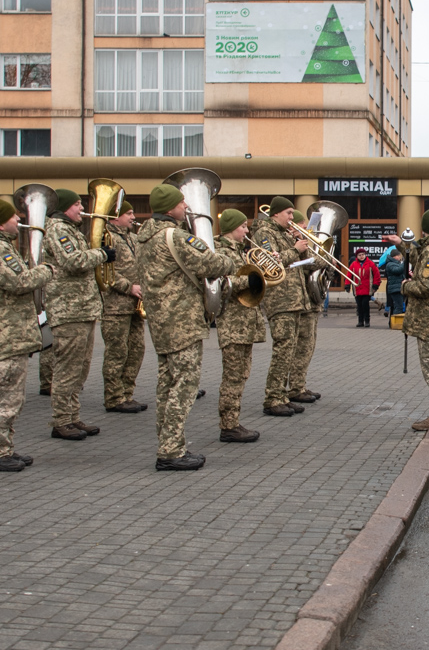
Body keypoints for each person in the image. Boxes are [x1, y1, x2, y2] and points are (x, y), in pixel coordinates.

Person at [135, 183, 239, 470]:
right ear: (170, 208)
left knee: (166, 385)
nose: (186, 206)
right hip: (182, 321)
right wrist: (230, 260)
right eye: (182, 202)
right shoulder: (176, 236)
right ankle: (171, 452)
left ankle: (168, 443)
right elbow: (212, 264)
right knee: (184, 386)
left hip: (161, 321)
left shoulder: (144, 237)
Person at [0, 197, 52, 472]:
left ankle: (4, 447)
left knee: (13, 396)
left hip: (11, 332)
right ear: (1, 223)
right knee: (5, 396)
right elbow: (18, 282)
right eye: (14, 217)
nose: (18, 220)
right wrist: (46, 270)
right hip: (5, 333)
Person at [42, 188, 112, 440]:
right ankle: (61, 421)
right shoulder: (58, 230)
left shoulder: (70, 229)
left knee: (80, 368)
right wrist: (102, 254)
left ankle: (72, 416)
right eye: (77, 204)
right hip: (68, 310)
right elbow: (73, 261)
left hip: (81, 308)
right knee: (67, 369)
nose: (82, 208)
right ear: (64, 207)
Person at [383, 209, 429, 430]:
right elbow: (418, 257)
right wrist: (402, 244)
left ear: (425, 228)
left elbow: (427, 286)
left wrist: (406, 286)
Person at [254, 197, 316, 416]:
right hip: (280, 300)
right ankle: (272, 398)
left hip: (294, 299)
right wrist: (295, 249)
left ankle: (282, 395)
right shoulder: (265, 233)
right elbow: (270, 263)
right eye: (288, 213)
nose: (291, 217)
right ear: (276, 213)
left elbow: (309, 262)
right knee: (282, 351)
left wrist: (301, 244)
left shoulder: (284, 234)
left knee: (289, 350)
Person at [213, 209, 266, 442]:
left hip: (245, 323)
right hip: (233, 324)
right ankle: (228, 426)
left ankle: (233, 421)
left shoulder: (239, 251)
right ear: (232, 228)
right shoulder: (221, 252)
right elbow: (218, 285)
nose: (246, 231)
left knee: (241, 375)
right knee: (233, 377)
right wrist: (248, 280)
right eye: (243, 227)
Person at [98, 201, 147, 415]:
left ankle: (127, 393)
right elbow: (104, 271)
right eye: (129, 213)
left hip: (135, 304)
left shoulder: (133, 238)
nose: (133, 217)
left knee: (136, 350)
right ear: (115, 217)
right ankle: (114, 397)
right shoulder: (106, 238)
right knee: (117, 352)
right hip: (116, 305)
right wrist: (129, 287)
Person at [347, 247, 380, 327]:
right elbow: (349, 275)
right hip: (357, 289)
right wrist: (347, 285)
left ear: (365, 255)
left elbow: (377, 275)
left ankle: (367, 320)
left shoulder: (371, 263)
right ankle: (360, 321)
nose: (361, 256)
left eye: (363, 254)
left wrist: (375, 285)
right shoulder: (353, 264)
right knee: (359, 306)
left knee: (365, 305)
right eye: (359, 255)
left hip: (367, 288)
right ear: (357, 256)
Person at [379, 241, 409, 318]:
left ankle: (395, 320)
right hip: (395, 288)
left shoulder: (396, 263)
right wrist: (405, 262)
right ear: (394, 256)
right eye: (398, 255)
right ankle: (395, 321)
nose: (399, 257)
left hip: (398, 287)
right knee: (398, 307)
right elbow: (398, 270)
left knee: (399, 306)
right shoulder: (390, 264)